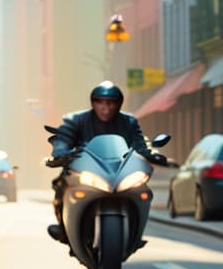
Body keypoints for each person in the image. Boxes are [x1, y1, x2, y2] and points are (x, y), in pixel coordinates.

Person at [45, 81, 164, 242]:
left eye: (111, 103)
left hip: (120, 170)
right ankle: (63, 227)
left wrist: (151, 155)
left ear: (119, 104)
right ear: (93, 103)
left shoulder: (129, 122)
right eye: (100, 102)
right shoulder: (76, 119)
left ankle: (136, 228)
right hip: (84, 167)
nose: (105, 108)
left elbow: (139, 145)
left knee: (142, 189)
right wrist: (60, 152)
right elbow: (64, 139)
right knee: (61, 183)